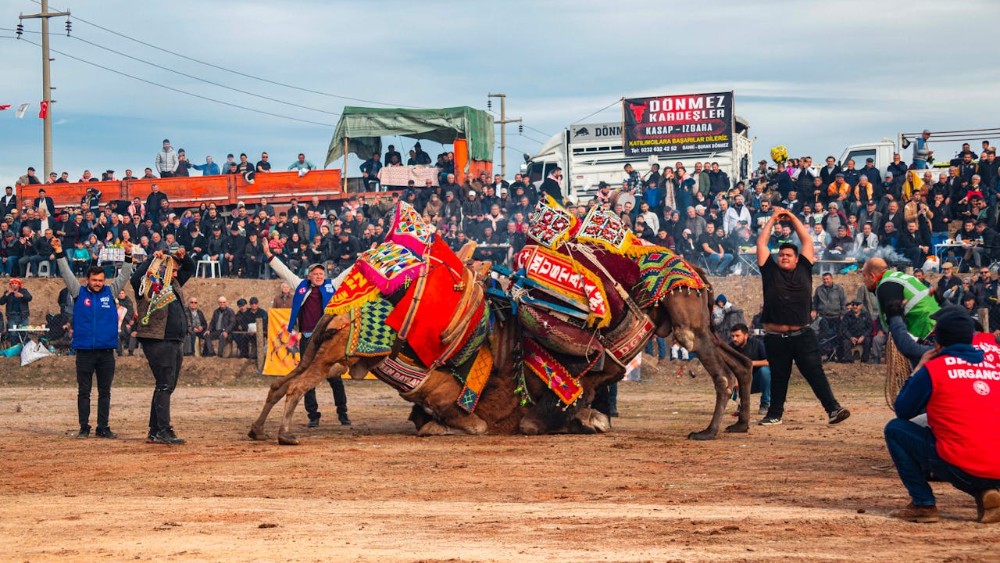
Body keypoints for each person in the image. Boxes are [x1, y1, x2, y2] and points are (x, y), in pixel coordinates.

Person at [885, 308, 1000, 523]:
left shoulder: (934, 369)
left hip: (964, 468)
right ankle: (988, 492)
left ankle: (923, 503)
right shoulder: (995, 365)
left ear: (938, 343)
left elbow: (902, 409)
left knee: (895, 430)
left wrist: (920, 367)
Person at [755, 207, 850, 426]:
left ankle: (833, 409)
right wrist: (772, 219)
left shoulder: (804, 268)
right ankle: (774, 414)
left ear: (797, 259)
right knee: (779, 376)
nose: (784, 257)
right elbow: (762, 244)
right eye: (782, 255)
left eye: (789, 255)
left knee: (815, 373)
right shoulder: (769, 270)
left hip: (802, 335)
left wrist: (791, 216)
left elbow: (806, 240)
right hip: (775, 337)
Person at [52, 237, 134, 439]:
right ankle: (84, 427)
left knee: (105, 392)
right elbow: (66, 273)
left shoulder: (111, 291)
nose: (97, 284)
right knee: (84, 392)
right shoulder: (78, 292)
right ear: (88, 280)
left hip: (106, 352)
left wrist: (129, 255)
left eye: (100, 280)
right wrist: (59, 252)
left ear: (104, 281)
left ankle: (103, 427)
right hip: (85, 352)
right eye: (94, 280)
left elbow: (124, 276)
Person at [262, 243, 349, 426]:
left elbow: (347, 273)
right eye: (315, 274)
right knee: (307, 375)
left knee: (335, 377)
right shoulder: (300, 285)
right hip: (308, 337)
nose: (318, 276)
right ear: (309, 276)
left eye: (321, 274)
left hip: (327, 338)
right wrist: (270, 256)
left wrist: (364, 258)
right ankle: (313, 416)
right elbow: (284, 271)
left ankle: (342, 413)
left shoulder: (331, 285)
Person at [131, 243, 195, 445]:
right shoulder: (148, 285)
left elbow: (190, 269)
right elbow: (135, 278)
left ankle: (155, 429)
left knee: (165, 386)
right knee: (165, 385)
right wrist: (153, 258)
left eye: (176, 270)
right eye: (172, 269)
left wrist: (182, 257)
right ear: (161, 268)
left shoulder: (173, 283)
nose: (176, 274)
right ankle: (164, 430)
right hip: (158, 339)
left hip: (175, 340)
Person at [861, 257, 940, 342]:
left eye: (864, 276)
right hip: (937, 319)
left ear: (872, 276)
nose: (863, 281)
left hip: (928, 327)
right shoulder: (896, 277)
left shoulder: (885, 286)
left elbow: (897, 324)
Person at [729, 323, 771, 415]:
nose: (734, 339)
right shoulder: (730, 347)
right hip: (738, 382)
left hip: (756, 381)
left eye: (737, 336)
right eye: (732, 336)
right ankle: (741, 404)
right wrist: (733, 379)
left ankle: (765, 403)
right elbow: (726, 367)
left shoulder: (757, 344)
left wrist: (751, 363)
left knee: (765, 371)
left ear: (746, 335)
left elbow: (769, 362)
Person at [1, 278, 31, 344]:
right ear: (10, 285)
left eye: (16, 283)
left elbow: (29, 298)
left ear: (19, 285)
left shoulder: (23, 291)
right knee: (13, 333)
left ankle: (24, 348)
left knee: (24, 332)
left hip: (23, 316)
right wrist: (7, 294)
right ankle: (14, 348)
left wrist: (22, 296)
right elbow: (1, 302)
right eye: (12, 283)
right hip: (12, 316)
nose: (14, 285)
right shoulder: (7, 292)